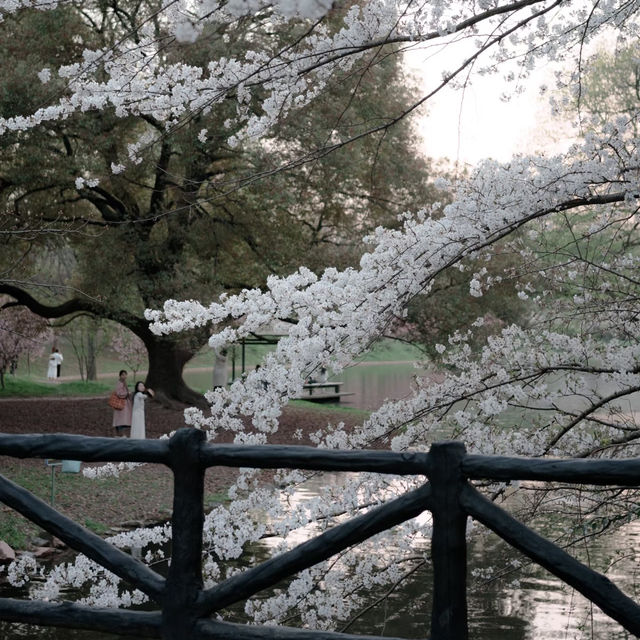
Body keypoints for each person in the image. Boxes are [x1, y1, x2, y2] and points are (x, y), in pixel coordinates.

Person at [112, 370, 132, 437]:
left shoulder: (123, 382)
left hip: (124, 403)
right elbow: (119, 393)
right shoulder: (119, 383)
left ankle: (120, 434)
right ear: (120, 375)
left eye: (125, 374)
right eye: (123, 375)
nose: (124, 376)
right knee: (121, 419)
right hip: (121, 403)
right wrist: (127, 393)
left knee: (123, 419)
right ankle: (121, 434)